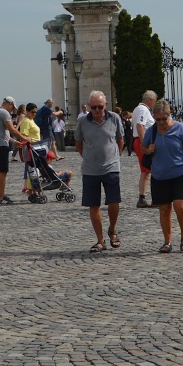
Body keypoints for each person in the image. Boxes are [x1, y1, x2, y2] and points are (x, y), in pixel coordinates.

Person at [143, 99, 183, 253]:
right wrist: (148, 150)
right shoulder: (151, 131)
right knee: (164, 209)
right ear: (154, 117)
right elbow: (143, 148)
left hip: (180, 173)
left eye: (164, 118)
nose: (162, 122)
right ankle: (167, 241)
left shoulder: (179, 128)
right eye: (158, 119)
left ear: (170, 114)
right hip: (159, 176)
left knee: (180, 206)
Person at [76, 90, 126, 252]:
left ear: (105, 105)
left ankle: (112, 229)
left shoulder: (114, 118)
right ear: (89, 106)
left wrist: (116, 156)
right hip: (90, 170)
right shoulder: (82, 121)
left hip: (111, 167)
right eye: (94, 107)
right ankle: (100, 240)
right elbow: (78, 143)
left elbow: (120, 139)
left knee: (114, 201)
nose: (97, 110)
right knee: (94, 205)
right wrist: (87, 157)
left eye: (100, 107)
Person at [0, 96, 18, 204]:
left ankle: (2, 194)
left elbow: (4, 134)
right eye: (12, 107)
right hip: (0, 146)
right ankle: (1, 196)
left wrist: (14, 142)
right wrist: (25, 139)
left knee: (1, 171)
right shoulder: (4, 113)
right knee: (1, 171)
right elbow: (12, 130)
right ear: (9, 104)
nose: (12, 110)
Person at [131, 90, 157, 205]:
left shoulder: (139, 109)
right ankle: (151, 197)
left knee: (146, 171)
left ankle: (143, 197)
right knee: (149, 170)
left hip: (140, 141)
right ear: (150, 100)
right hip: (143, 142)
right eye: (154, 101)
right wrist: (144, 144)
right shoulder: (143, 109)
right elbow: (140, 125)